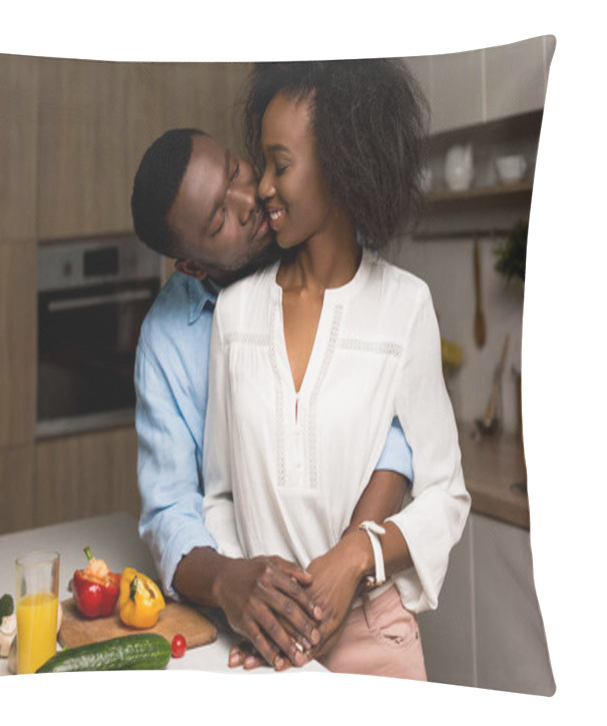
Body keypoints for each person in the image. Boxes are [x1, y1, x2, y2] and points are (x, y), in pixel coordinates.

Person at [202, 59, 471, 679]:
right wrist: (262, 602)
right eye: (262, 163)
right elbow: (217, 495)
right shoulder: (236, 313)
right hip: (265, 650)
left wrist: (356, 556)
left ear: (343, 163)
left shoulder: (405, 307)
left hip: (377, 642)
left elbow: (446, 494)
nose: (263, 186)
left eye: (281, 164)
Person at [131, 126, 415, 671]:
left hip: (367, 609)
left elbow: (398, 435)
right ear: (191, 265)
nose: (250, 202)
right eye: (219, 219)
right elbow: (169, 509)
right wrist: (230, 582)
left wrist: (347, 561)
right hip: (247, 641)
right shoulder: (166, 343)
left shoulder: (337, 252)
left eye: (238, 171)